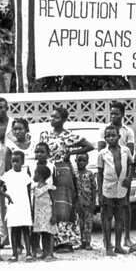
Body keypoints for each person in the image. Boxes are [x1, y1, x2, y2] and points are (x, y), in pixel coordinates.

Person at [39, 106, 94, 250]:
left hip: (63, 171)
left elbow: (89, 146)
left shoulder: (69, 135)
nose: (52, 119)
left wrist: (72, 153)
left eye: (56, 117)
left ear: (63, 120)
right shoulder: (45, 135)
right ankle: (54, 241)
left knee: (64, 204)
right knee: (51, 204)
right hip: (48, 170)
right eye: (51, 116)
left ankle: (66, 241)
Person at [97, 101, 136, 247]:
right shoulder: (104, 130)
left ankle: (125, 237)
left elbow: (130, 154)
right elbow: (101, 150)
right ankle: (106, 240)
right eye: (111, 113)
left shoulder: (128, 131)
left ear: (123, 115)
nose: (113, 116)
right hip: (109, 176)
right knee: (106, 209)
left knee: (124, 206)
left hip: (124, 176)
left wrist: (128, 177)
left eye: (117, 114)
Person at [1, 151, 34, 261]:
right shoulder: (7, 175)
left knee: (25, 230)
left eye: (17, 161)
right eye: (13, 161)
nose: (15, 164)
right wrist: (6, 195)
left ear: (22, 162)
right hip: (13, 206)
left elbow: (28, 192)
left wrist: (30, 207)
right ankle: (14, 254)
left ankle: (28, 253)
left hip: (24, 206)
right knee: (14, 230)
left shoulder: (25, 175)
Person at [32, 164, 58, 260]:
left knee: (50, 233)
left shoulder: (49, 187)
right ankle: (45, 252)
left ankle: (51, 253)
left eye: (35, 173)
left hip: (48, 213)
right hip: (38, 214)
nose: (33, 175)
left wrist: (54, 214)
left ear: (40, 175)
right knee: (42, 232)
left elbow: (53, 200)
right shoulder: (35, 188)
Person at [74, 152, 96, 250]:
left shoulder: (89, 174)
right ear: (75, 161)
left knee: (88, 223)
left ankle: (87, 242)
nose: (81, 163)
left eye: (83, 160)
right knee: (80, 222)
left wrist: (94, 202)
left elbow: (94, 188)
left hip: (88, 202)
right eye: (79, 160)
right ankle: (81, 242)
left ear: (87, 162)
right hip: (77, 203)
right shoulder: (74, 174)